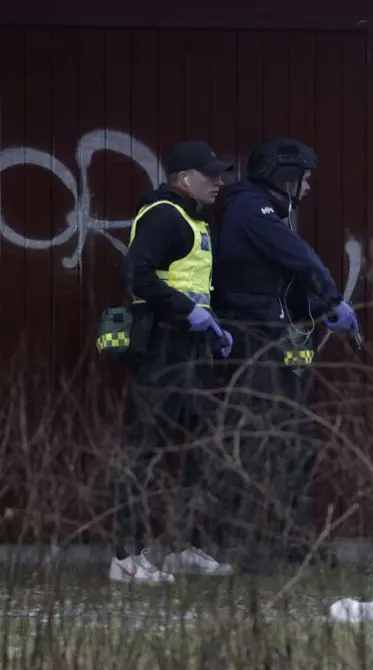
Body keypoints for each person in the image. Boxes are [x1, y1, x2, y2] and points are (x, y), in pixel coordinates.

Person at [209, 137, 359, 572]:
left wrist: (316, 311)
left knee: (297, 442)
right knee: (262, 441)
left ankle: (291, 539)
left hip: (273, 336)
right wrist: (332, 299)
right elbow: (300, 259)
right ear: (284, 176)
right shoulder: (250, 210)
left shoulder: (268, 212)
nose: (309, 188)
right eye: (304, 179)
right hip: (254, 341)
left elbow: (274, 288)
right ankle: (254, 549)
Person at [110, 140, 237, 583]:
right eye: (210, 174)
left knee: (196, 450)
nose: (219, 182)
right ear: (184, 178)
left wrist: (213, 327)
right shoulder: (165, 215)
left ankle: (184, 546)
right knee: (145, 449)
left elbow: (190, 283)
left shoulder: (192, 219)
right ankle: (125, 558)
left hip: (189, 349)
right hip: (162, 347)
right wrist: (188, 312)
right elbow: (136, 275)